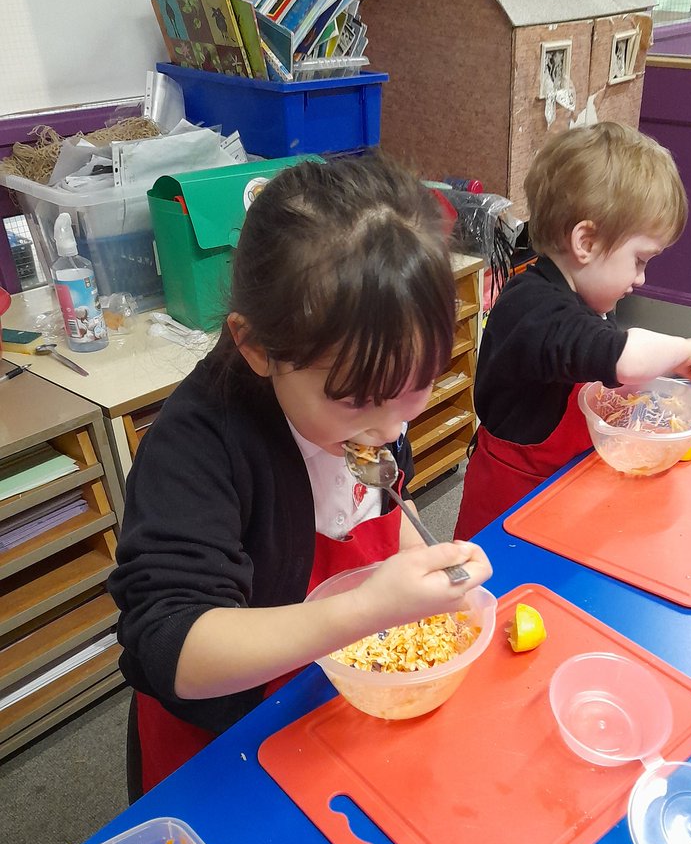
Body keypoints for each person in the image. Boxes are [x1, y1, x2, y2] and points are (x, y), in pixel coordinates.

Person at [109, 151, 492, 796]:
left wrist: (424, 577)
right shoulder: (197, 447)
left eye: (416, 386)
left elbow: (377, 513)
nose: (394, 429)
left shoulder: (370, 404)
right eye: (357, 398)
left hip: (325, 694)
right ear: (258, 347)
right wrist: (370, 609)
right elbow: (173, 645)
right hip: (221, 732)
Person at [454, 121, 691, 541]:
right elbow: (622, 356)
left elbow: (607, 368)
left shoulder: (587, 300)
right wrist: (688, 346)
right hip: (509, 508)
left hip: (560, 489)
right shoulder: (534, 308)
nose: (641, 278)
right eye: (639, 260)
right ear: (585, 241)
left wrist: (677, 368)